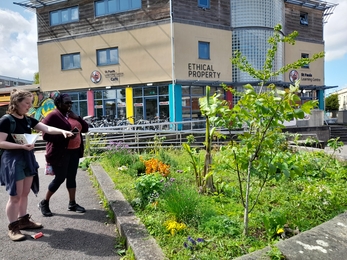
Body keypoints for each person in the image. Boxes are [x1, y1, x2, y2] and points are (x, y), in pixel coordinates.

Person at [0, 89, 74, 242]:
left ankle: (23, 220)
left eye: (30, 102)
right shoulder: (6, 120)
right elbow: (0, 142)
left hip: (27, 158)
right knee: (15, 196)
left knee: (24, 193)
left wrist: (63, 131)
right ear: (16, 103)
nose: (29, 106)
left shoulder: (27, 119)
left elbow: (46, 128)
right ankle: (13, 228)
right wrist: (20, 147)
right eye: (26, 103)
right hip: (13, 161)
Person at [38, 93, 89, 217]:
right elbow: (45, 135)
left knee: (72, 177)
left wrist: (78, 117)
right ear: (58, 104)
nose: (69, 105)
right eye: (67, 103)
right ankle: (44, 202)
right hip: (60, 153)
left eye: (71, 102)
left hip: (74, 151)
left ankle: (72, 203)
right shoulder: (53, 116)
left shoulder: (71, 115)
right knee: (60, 178)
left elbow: (86, 128)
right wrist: (64, 135)